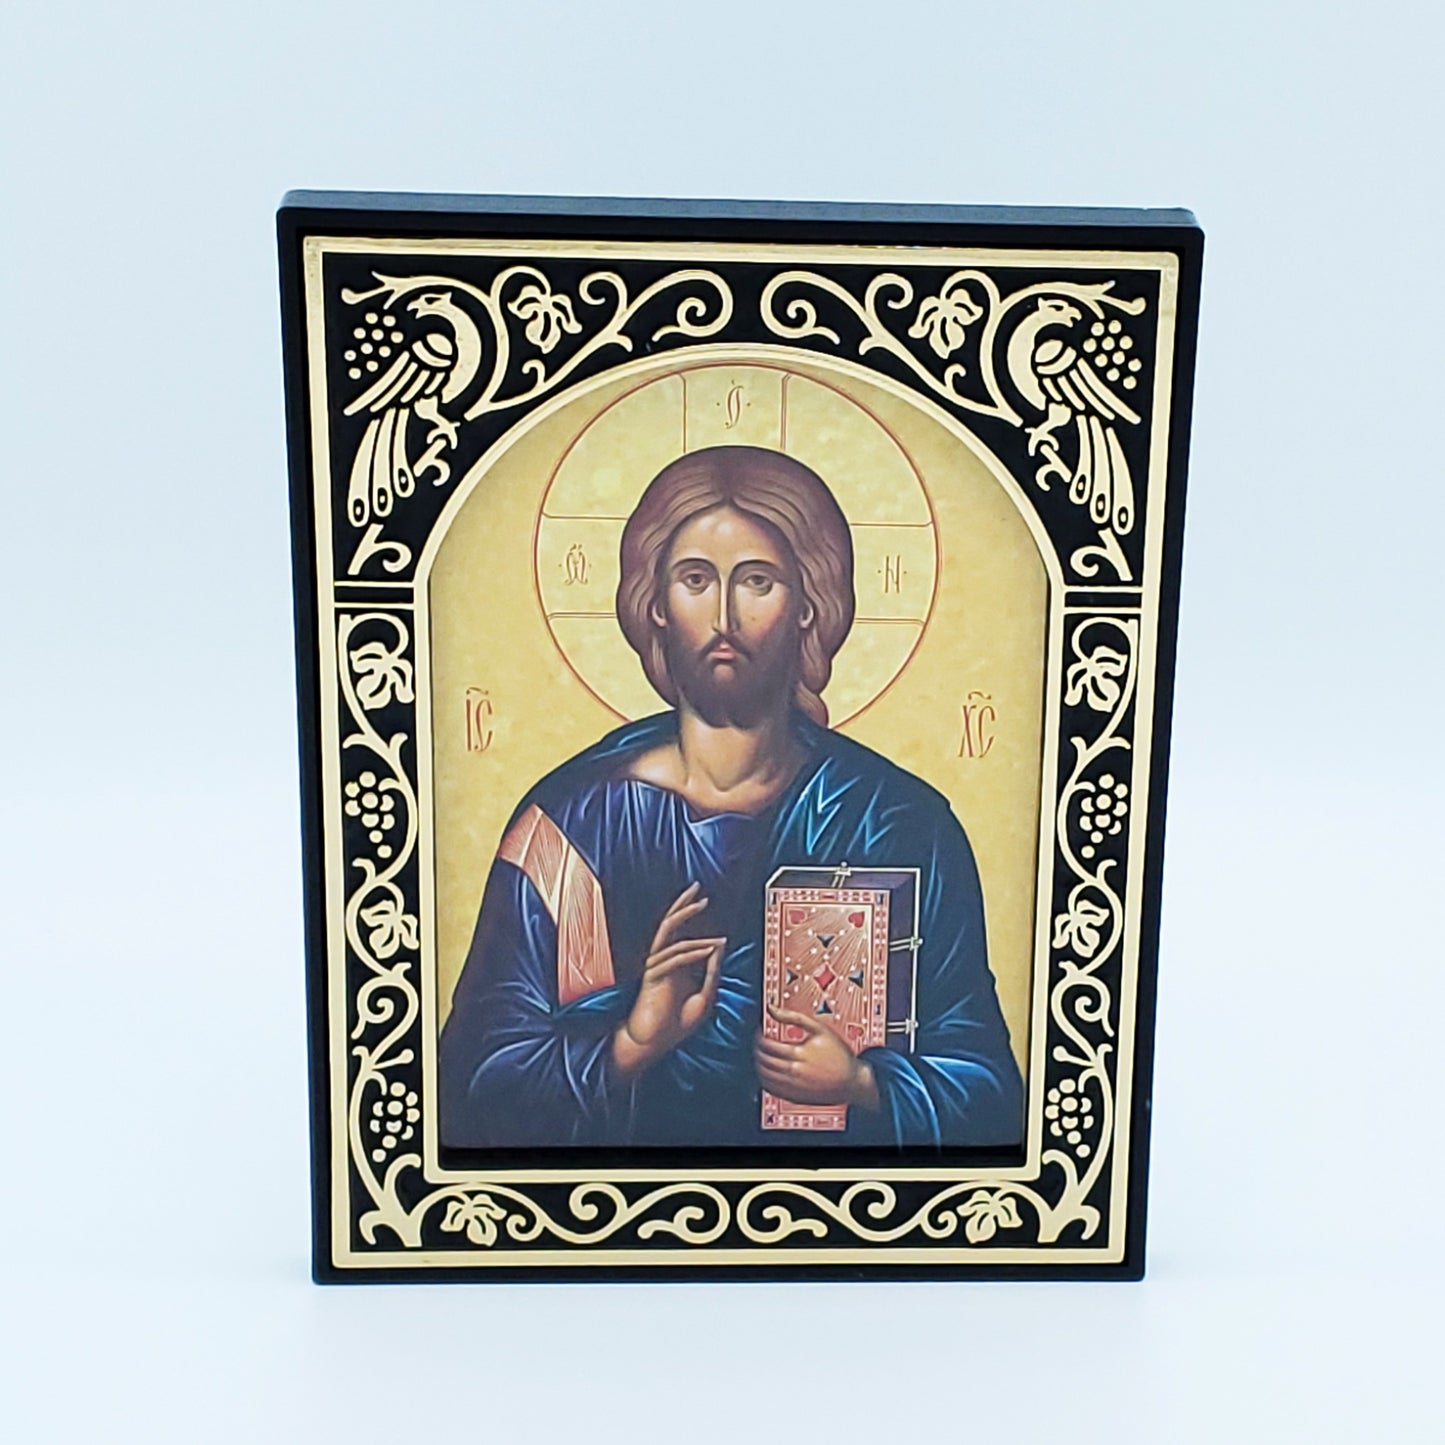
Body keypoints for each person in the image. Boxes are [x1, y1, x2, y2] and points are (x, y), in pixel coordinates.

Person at [439, 445, 1022, 1148]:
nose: (723, 615)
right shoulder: (569, 827)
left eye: (757, 581)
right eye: (694, 579)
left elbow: (990, 1096)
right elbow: (470, 1089)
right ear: (654, 604)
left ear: (809, 604)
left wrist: (864, 1084)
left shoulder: (897, 823)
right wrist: (631, 1043)